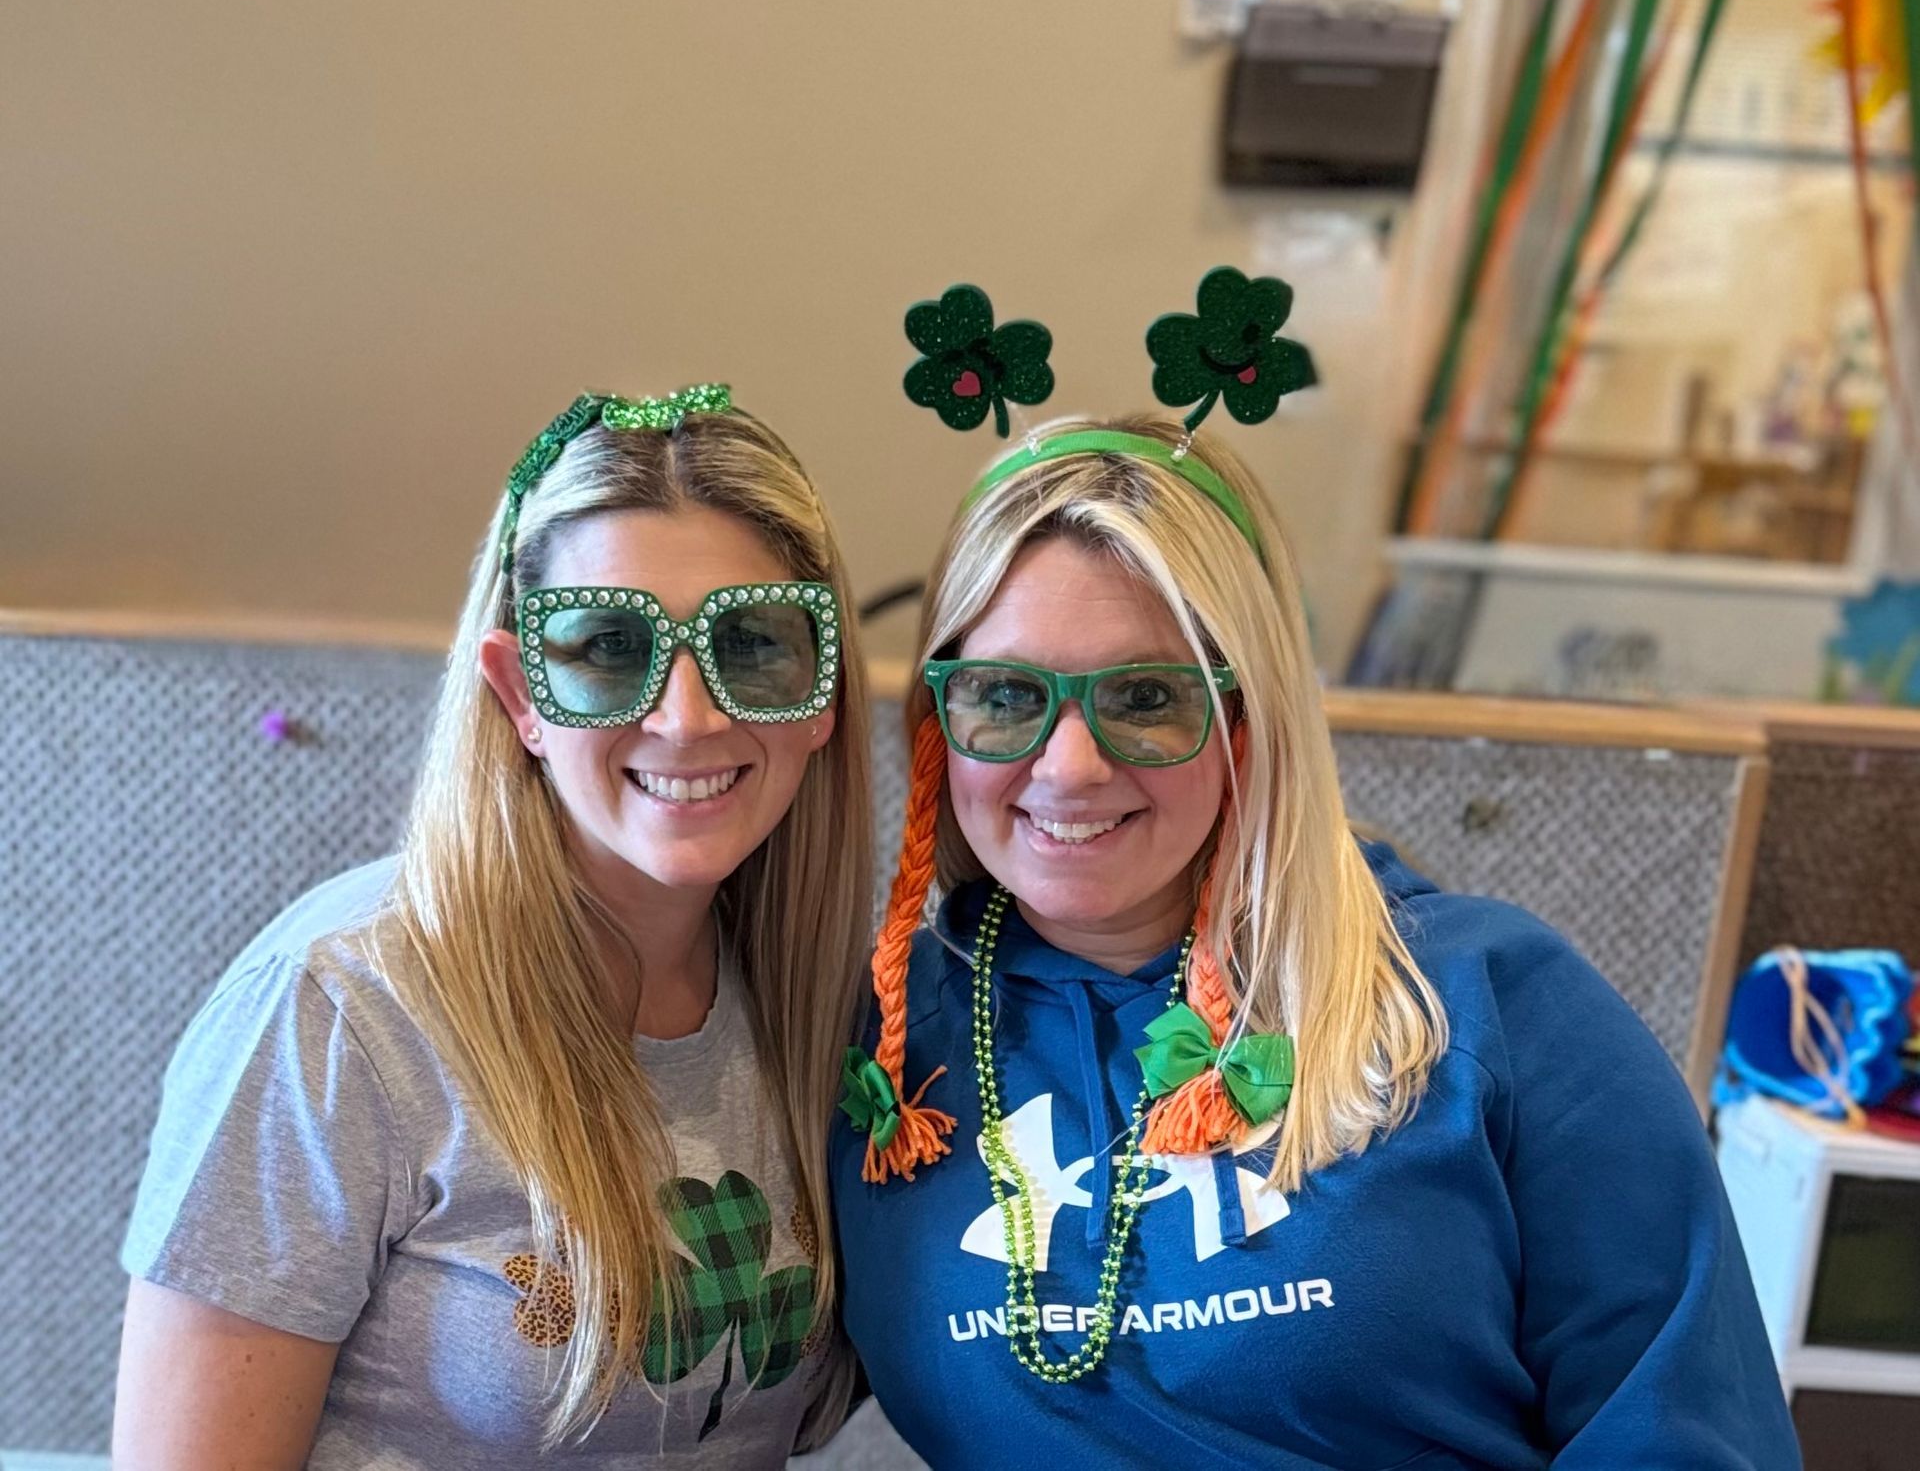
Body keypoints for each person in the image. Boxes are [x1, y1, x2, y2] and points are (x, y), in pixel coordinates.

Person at [832, 412, 1799, 1469]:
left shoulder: (1493, 1005)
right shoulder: (877, 1052)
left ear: (1253, 718)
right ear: (938, 721)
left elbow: (1683, 1432)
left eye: (1148, 698)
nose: (1068, 767)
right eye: (1006, 696)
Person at [115, 385, 870, 1468]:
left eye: (751, 644)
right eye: (609, 647)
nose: (687, 715)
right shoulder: (336, 1011)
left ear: (821, 690)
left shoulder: (828, 1006)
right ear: (521, 695)